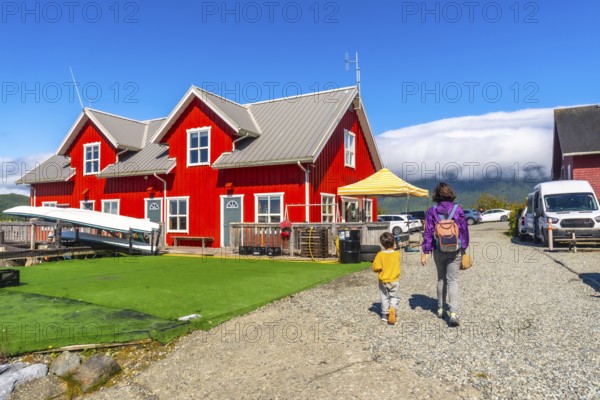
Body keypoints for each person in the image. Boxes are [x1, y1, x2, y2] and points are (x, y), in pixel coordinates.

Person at [421, 182, 469, 327]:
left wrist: (425, 251)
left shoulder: (432, 211)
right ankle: (453, 313)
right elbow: (464, 230)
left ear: (436, 194)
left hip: (438, 249)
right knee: (453, 280)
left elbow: (428, 232)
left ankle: (441, 309)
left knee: (441, 279)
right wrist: (464, 248)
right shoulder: (458, 209)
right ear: (450, 193)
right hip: (455, 249)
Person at [372, 232, 401, 325]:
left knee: (384, 297)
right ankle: (392, 309)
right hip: (394, 280)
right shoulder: (396, 254)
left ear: (382, 243)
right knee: (394, 296)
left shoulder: (380, 254)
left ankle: (385, 315)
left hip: (383, 280)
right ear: (393, 243)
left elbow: (376, 267)